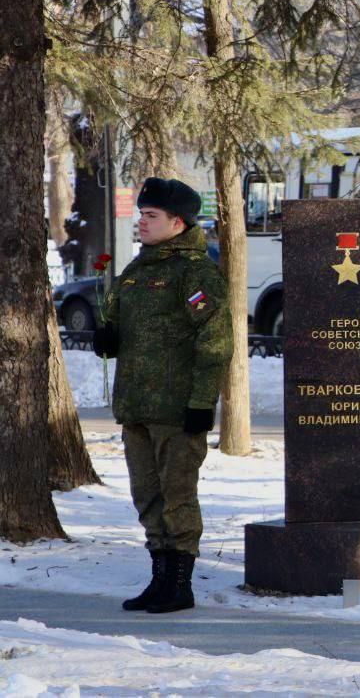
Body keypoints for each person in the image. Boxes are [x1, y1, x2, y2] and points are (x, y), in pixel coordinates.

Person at [92, 177, 232, 613]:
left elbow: (214, 340)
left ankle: (180, 583)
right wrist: (109, 338)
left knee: (177, 497)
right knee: (147, 497)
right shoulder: (136, 270)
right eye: (141, 214)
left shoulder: (195, 271)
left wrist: (201, 403)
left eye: (151, 216)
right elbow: (118, 321)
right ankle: (159, 577)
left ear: (178, 221)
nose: (142, 222)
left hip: (176, 408)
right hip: (136, 405)